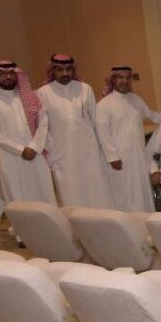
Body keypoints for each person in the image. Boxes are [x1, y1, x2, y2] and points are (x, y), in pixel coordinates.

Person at [36, 54, 114, 208]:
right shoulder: (43, 93)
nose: (65, 73)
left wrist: (105, 151)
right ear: (53, 71)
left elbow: (96, 122)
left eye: (68, 69)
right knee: (71, 193)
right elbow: (43, 128)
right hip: (63, 155)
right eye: (60, 70)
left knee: (96, 189)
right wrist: (52, 156)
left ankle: (102, 220)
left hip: (90, 152)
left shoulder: (85, 89)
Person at [0, 60, 57, 205]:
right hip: (10, 158)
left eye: (11, 73)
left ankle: (51, 220)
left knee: (44, 191)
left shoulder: (31, 98)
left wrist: (34, 146)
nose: (8, 77)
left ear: (16, 75)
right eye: (2, 74)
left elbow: (43, 122)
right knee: (19, 197)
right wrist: (21, 150)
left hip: (36, 153)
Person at [95, 65, 161, 212]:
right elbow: (102, 132)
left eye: (128, 78)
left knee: (140, 189)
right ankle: (127, 222)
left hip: (138, 155)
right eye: (121, 78)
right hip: (119, 158)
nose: (125, 81)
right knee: (124, 192)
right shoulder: (104, 104)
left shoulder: (136, 100)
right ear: (113, 80)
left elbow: (152, 115)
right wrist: (112, 157)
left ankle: (144, 217)